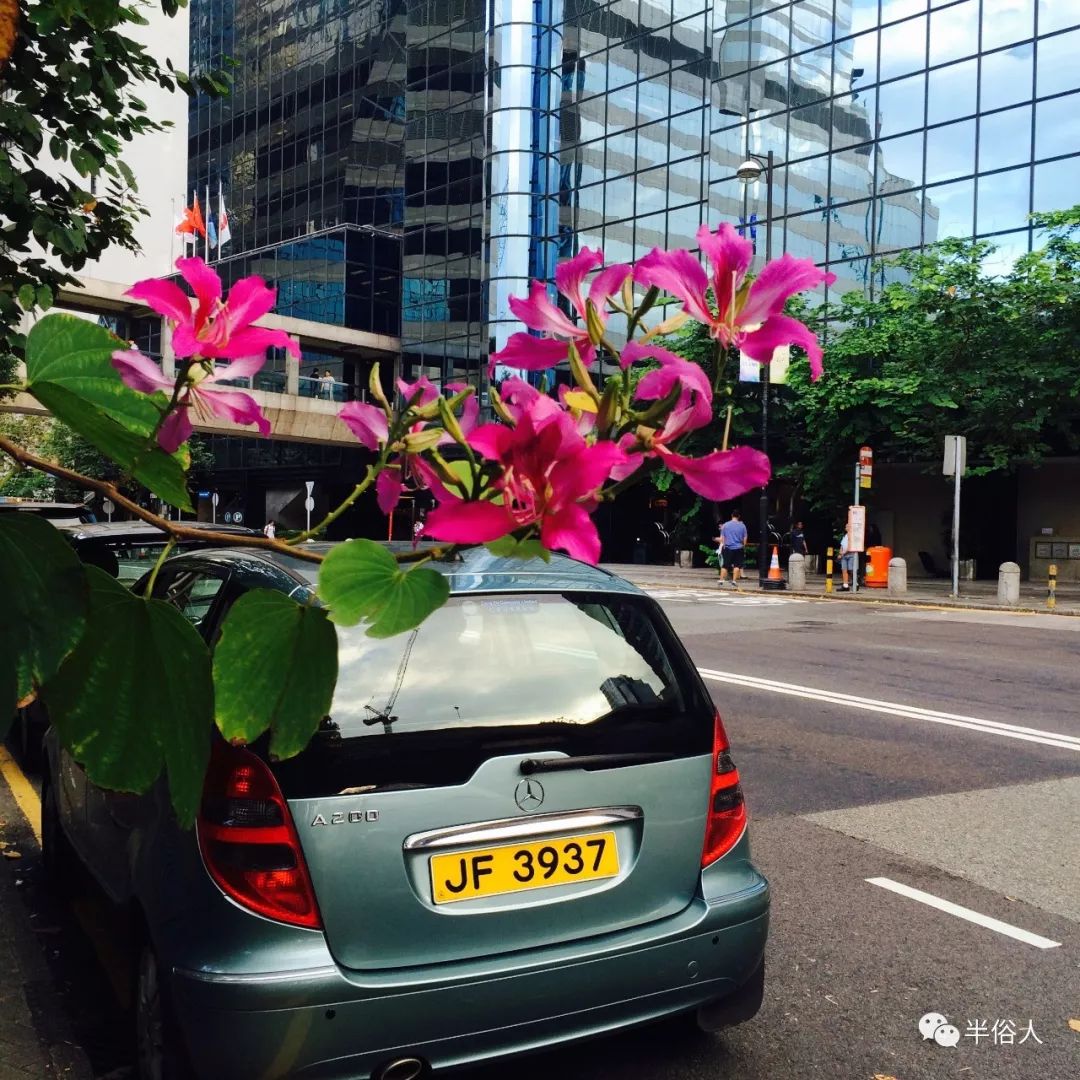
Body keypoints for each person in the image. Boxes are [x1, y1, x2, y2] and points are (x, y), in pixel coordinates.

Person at [714, 510, 748, 587]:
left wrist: (724, 545)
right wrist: (743, 546)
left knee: (725, 565)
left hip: (728, 548)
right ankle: (734, 581)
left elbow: (722, 538)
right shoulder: (742, 526)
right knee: (737, 565)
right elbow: (745, 537)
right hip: (739, 548)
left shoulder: (725, 525)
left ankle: (721, 580)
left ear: (731, 515)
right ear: (739, 516)